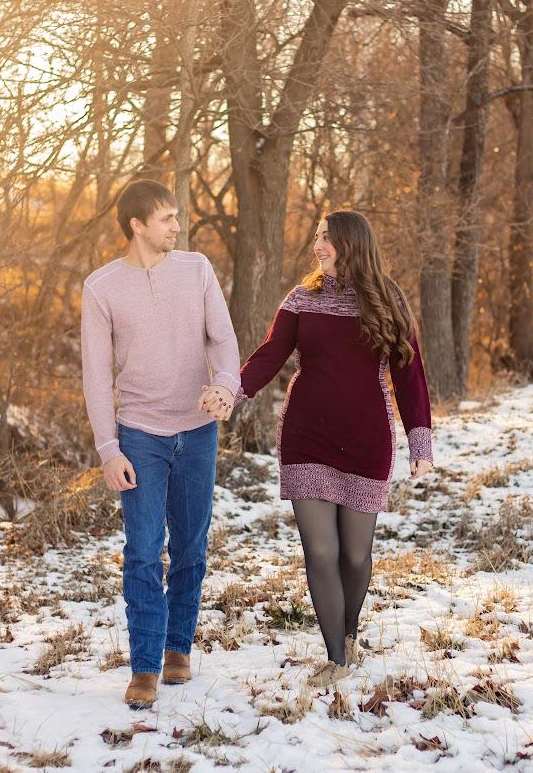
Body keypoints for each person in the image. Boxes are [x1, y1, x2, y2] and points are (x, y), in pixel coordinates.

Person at [200, 211, 434, 688]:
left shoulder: (388, 299)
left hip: (367, 440)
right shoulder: (302, 298)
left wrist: (420, 442)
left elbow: (409, 375)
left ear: (351, 243)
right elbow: (270, 353)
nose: (318, 245)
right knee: (321, 551)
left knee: (355, 556)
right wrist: (231, 391)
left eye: (326, 237)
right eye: (317, 237)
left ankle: (349, 634)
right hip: (306, 437)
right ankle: (336, 658)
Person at [80, 180, 240, 709]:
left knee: (191, 545)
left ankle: (178, 649)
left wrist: (225, 385)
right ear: (137, 225)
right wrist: (108, 449)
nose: (177, 225)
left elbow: (223, 340)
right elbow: (95, 376)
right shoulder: (101, 288)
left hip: (198, 430)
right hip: (140, 436)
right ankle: (145, 665)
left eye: (176, 216)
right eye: (166, 218)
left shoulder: (197, 270)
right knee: (144, 551)